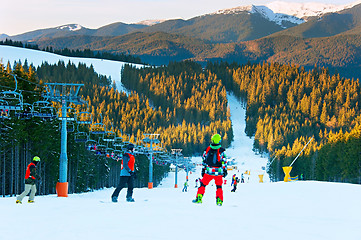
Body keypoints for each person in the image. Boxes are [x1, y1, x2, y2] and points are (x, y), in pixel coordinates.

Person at [192, 134, 227, 206]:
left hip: (208, 171)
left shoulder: (207, 149)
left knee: (203, 185)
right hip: (218, 172)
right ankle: (219, 200)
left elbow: (204, 161)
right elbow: (224, 162)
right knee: (219, 186)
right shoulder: (221, 151)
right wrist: (224, 170)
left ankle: (199, 198)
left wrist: (203, 169)